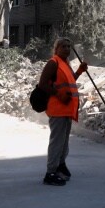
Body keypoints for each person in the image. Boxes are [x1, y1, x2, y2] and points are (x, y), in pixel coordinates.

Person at [38, 37, 88, 186]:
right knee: (57, 142)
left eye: (69, 46)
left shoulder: (65, 63)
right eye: (63, 46)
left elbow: (70, 80)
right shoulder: (53, 63)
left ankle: (60, 165)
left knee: (64, 142)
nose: (67, 49)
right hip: (57, 109)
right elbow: (42, 85)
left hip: (67, 109)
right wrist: (58, 94)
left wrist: (79, 71)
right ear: (57, 48)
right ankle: (50, 173)